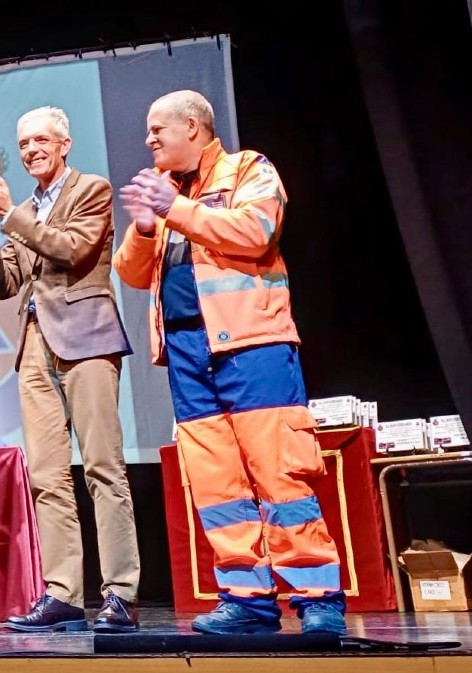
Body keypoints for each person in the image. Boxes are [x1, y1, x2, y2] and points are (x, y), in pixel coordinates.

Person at [112, 89, 347, 635]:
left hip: (253, 344)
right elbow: (130, 271)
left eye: (157, 130)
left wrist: (176, 210)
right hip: (188, 354)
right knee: (218, 484)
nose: (148, 141)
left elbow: (256, 232)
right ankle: (247, 597)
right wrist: (148, 227)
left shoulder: (248, 169)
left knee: (278, 471)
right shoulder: (165, 191)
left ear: (192, 127)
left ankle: (317, 595)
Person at [0, 105, 141, 634]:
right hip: (35, 347)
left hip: (87, 339)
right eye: (23, 144)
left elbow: (71, 250)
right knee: (47, 478)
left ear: (64, 144)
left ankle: (121, 592)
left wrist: (10, 212)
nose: (31, 150)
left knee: (103, 467)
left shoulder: (91, 190)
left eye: (41, 141)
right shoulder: (28, 207)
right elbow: (7, 283)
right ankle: (63, 593)